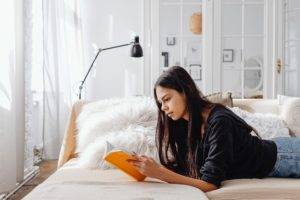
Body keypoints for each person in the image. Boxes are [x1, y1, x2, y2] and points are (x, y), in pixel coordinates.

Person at [127, 66, 300, 192]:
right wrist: (149, 167)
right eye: (160, 103)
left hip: (286, 156)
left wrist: (160, 173)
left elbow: (209, 184)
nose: (163, 107)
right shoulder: (186, 124)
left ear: (185, 92)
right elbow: (193, 169)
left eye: (167, 99)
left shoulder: (219, 121)